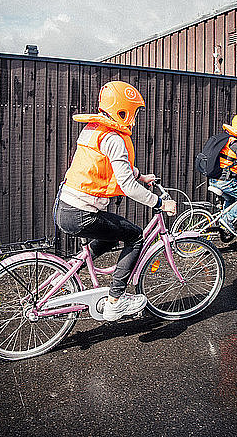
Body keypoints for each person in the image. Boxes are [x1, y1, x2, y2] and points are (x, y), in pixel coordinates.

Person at [54, 80, 176, 321]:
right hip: (81, 212)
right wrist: (160, 203)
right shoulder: (114, 138)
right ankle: (115, 301)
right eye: (134, 112)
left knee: (111, 234)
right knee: (135, 236)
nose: (135, 118)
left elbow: (108, 165)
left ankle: (73, 269)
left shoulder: (94, 129)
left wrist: (141, 175)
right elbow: (128, 187)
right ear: (123, 111)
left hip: (65, 205)